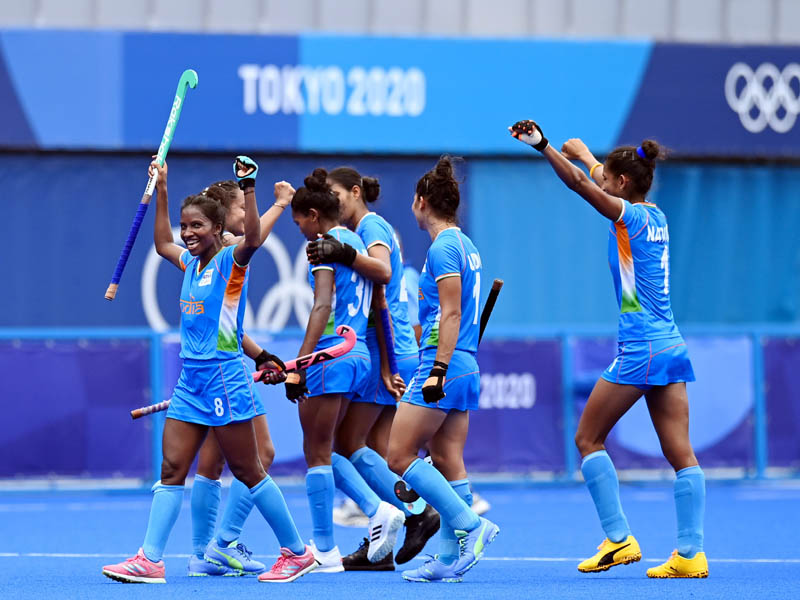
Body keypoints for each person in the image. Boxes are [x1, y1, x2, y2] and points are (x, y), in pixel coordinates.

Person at [101, 157, 317, 584]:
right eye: (186, 226)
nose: (187, 233)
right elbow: (162, 242)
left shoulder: (230, 263)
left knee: (250, 470)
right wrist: (161, 187)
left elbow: (254, 236)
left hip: (223, 378)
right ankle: (150, 559)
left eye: (197, 226)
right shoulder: (191, 263)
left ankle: (296, 552)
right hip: (191, 382)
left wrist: (250, 188)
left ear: (217, 230)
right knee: (172, 469)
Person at [509, 120, 707, 579]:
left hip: (641, 349)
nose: (600, 177)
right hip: (670, 344)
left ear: (620, 185)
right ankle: (691, 553)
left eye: (608, 177)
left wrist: (544, 147)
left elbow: (584, 185)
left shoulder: (629, 217)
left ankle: (619, 540)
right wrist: (588, 156)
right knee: (681, 453)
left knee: (587, 438)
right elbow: (603, 175)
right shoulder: (655, 215)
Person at [306, 167, 440, 570]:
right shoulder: (352, 231)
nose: (331, 202)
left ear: (355, 192)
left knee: (341, 445)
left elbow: (380, 272)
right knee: (375, 451)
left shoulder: (370, 227)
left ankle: (416, 511)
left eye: (336, 194)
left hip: (387, 348)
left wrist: (343, 254)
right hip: (387, 348)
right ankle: (381, 544)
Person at [385, 156, 500, 583]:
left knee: (399, 454)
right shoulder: (466, 244)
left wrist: (436, 369)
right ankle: (450, 558)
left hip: (446, 363)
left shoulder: (444, 246)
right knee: (448, 459)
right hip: (463, 364)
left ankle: (470, 525)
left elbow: (450, 314)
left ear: (421, 202)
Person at [287, 168, 405, 573]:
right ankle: (376, 514)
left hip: (330, 354)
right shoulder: (357, 243)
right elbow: (379, 306)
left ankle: (328, 546)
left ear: (314, 215)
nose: (299, 229)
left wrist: (298, 365)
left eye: (299, 220)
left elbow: (321, 307)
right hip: (360, 357)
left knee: (316, 453)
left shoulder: (323, 246)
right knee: (336, 447)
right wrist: (385, 363)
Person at [185, 178, 297, 576]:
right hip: (222, 374)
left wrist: (262, 355)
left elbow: (228, 326)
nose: (245, 216)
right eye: (239, 209)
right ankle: (223, 543)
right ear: (225, 215)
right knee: (259, 456)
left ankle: (204, 554)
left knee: (211, 466)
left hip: (220, 363)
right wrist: (280, 203)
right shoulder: (229, 247)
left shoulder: (207, 254)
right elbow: (255, 235)